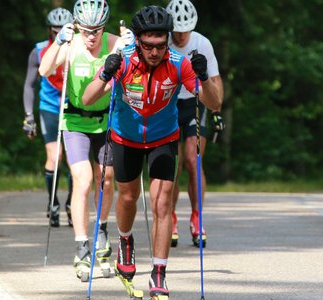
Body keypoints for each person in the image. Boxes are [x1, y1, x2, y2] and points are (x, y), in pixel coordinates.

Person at [82, 6, 221, 298]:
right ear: (139, 42)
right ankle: (125, 240)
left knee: (161, 203)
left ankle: (159, 273)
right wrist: (105, 73)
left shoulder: (179, 64)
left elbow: (214, 103)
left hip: (162, 138)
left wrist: (205, 76)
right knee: (129, 197)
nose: (155, 52)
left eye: (160, 45)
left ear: (166, 40)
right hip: (125, 138)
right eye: (148, 46)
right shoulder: (123, 61)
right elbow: (87, 98)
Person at [38, 0, 126, 281]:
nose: (91, 37)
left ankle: (101, 229)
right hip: (75, 122)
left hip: (105, 121)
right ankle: (82, 246)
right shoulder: (71, 43)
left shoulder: (114, 43)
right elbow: (44, 70)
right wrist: (58, 43)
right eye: (86, 30)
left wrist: (131, 45)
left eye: (97, 31)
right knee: (84, 179)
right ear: (77, 26)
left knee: (108, 177)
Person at [165, 0, 225, 248]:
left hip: (195, 102)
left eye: (186, 29)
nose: (181, 35)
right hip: (168, 104)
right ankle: (171, 217)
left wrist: (217, 110)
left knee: (193, 159)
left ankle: (197, 217)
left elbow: (215, 79)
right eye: (177, 30)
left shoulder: (201, 43)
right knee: (173, 165)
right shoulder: (162, 42)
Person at [23, 7, 74, 228]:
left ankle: (73, 203)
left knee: (75, 160)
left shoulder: (79, 47)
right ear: (49, 31)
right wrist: (28, 116)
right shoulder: (39, 51)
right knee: (55, 157)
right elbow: (29, 85)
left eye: (61, 31)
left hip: (73, 106)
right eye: (54, 32)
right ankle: (53, 203)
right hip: (50, 107)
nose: (58, 35)